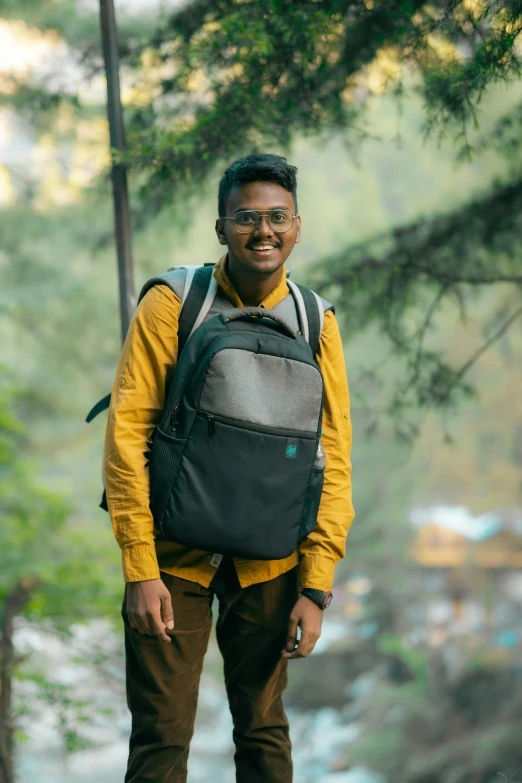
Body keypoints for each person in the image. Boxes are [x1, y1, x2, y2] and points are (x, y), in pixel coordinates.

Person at [103, 153, 355, 783]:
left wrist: (316, 586)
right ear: (222, 226)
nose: (262, 231)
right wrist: (140, 568)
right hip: (173, 560)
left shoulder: (315, 321)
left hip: (272, 562)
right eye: (247, 218)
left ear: (298, 226)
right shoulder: (175, 303)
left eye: (277, 218)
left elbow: (333, 457)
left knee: (265, 732)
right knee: (161, 738)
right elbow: (127, 433)